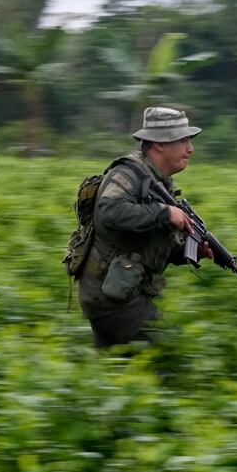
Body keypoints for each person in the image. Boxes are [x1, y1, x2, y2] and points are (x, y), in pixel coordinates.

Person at [78, 106, 212, 348]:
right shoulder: (127, 175)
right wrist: (166, 212)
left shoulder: (160, 182)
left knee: (117, 371)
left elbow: (153, 243)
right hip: (112, 296)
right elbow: (110, 212)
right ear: (159, 143)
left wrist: (190, 252)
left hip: (122, 291)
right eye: (183, 141)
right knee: (163, 355)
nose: (190, 149)